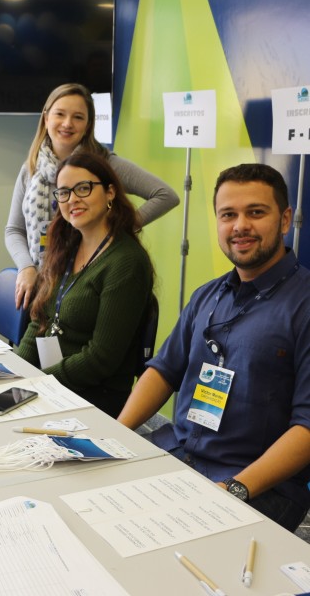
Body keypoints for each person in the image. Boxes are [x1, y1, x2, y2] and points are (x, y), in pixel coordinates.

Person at [117, 163, 310, 532]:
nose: (240, 226)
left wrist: (235, 489)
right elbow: (163, 370)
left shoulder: (303, 305)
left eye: (256, 212)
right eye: (228, 215)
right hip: (177, 454)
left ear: (285, 220)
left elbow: (308, 427)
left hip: (253, 485)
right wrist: (117, 434)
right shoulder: (207, 295)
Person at [5, 83, 178, 309]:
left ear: (88, 125)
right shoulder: (31, 168)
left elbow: (166, 195)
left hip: (87, 290)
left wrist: (121, 226)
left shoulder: (106, 164)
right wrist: (26, 267)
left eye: (78, 117)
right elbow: (14, 230)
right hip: (41, 286)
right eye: (60, 114)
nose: (68, 123)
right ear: (46, 118)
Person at [16, 152, 154, 418]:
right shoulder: (67, 248)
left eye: (83, 188)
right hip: (54, 385)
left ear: (110, 192)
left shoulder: (126, 262)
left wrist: (37, 382)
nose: (73, 199)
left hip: (94, 397)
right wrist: (18, 374)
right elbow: (40, 322)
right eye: (64, 192)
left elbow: (100, 359)